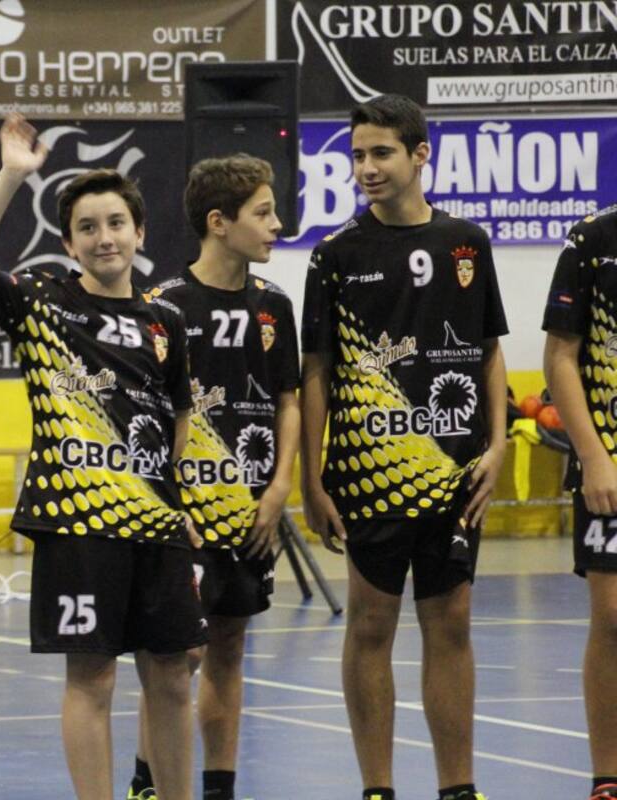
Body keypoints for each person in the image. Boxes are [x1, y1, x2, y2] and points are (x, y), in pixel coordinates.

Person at [0, 113, 205, 800]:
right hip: (79, 523)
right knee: (93, 678)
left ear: (140, 233)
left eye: (116, 223)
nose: (104, 237)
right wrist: (12, 174)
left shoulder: (167, 322)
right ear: (69, 243)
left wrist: (169, 499)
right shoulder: (43, 302)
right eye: (87, 227)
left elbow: (178, 419)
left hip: (155, 524)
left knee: (173, 672)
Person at [299, 94, 507, 800]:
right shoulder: (335, 256)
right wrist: (313, 478)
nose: (367, 167)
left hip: (456, 472)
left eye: (381, 152)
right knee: (370, 625)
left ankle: (458, 788)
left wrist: (499, 444)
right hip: (369, 472)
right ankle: (378, 789)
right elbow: (316, 372)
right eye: (357, 154)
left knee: (451, 622)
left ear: (420, 154)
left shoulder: (466, 242)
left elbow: (488, 350)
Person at [127, 155, 298, 800]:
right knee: (179, 653)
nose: (277, 225)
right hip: (186, 515)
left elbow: (288, 401)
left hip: (251, 508)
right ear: (219, 222)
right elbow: (145, 414)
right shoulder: (163, 306)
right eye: (264, 213)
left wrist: (279, 488)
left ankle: (220, 787)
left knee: (229, 645)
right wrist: (169, 504)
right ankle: (148, 781)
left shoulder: (274, 305)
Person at [542, 202, 617, 800]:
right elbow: (560, 356)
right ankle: (608, 776)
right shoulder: (592, 240)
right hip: (610, 463)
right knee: (612, 618)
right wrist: (592, 456)